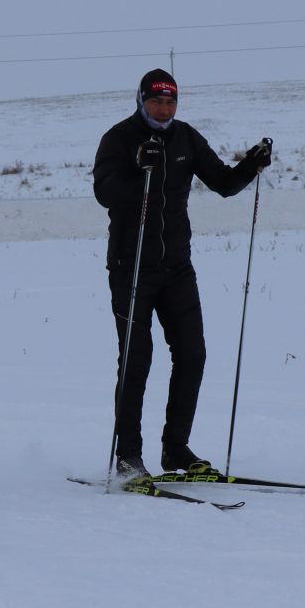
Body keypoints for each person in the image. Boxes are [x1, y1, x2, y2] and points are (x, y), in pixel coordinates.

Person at [92, 68, 272, 478]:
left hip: (176, 268)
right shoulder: (119, 139)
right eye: (156, 100)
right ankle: (128, 456)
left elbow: (224, 183)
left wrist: (251, 166)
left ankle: (176, 450)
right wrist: (139, 169)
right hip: (131, 266)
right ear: (141, 100)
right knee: (137, 361)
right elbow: (105, 192)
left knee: (192, 355)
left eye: (170, 101)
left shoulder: (186, 138)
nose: (163, 108)